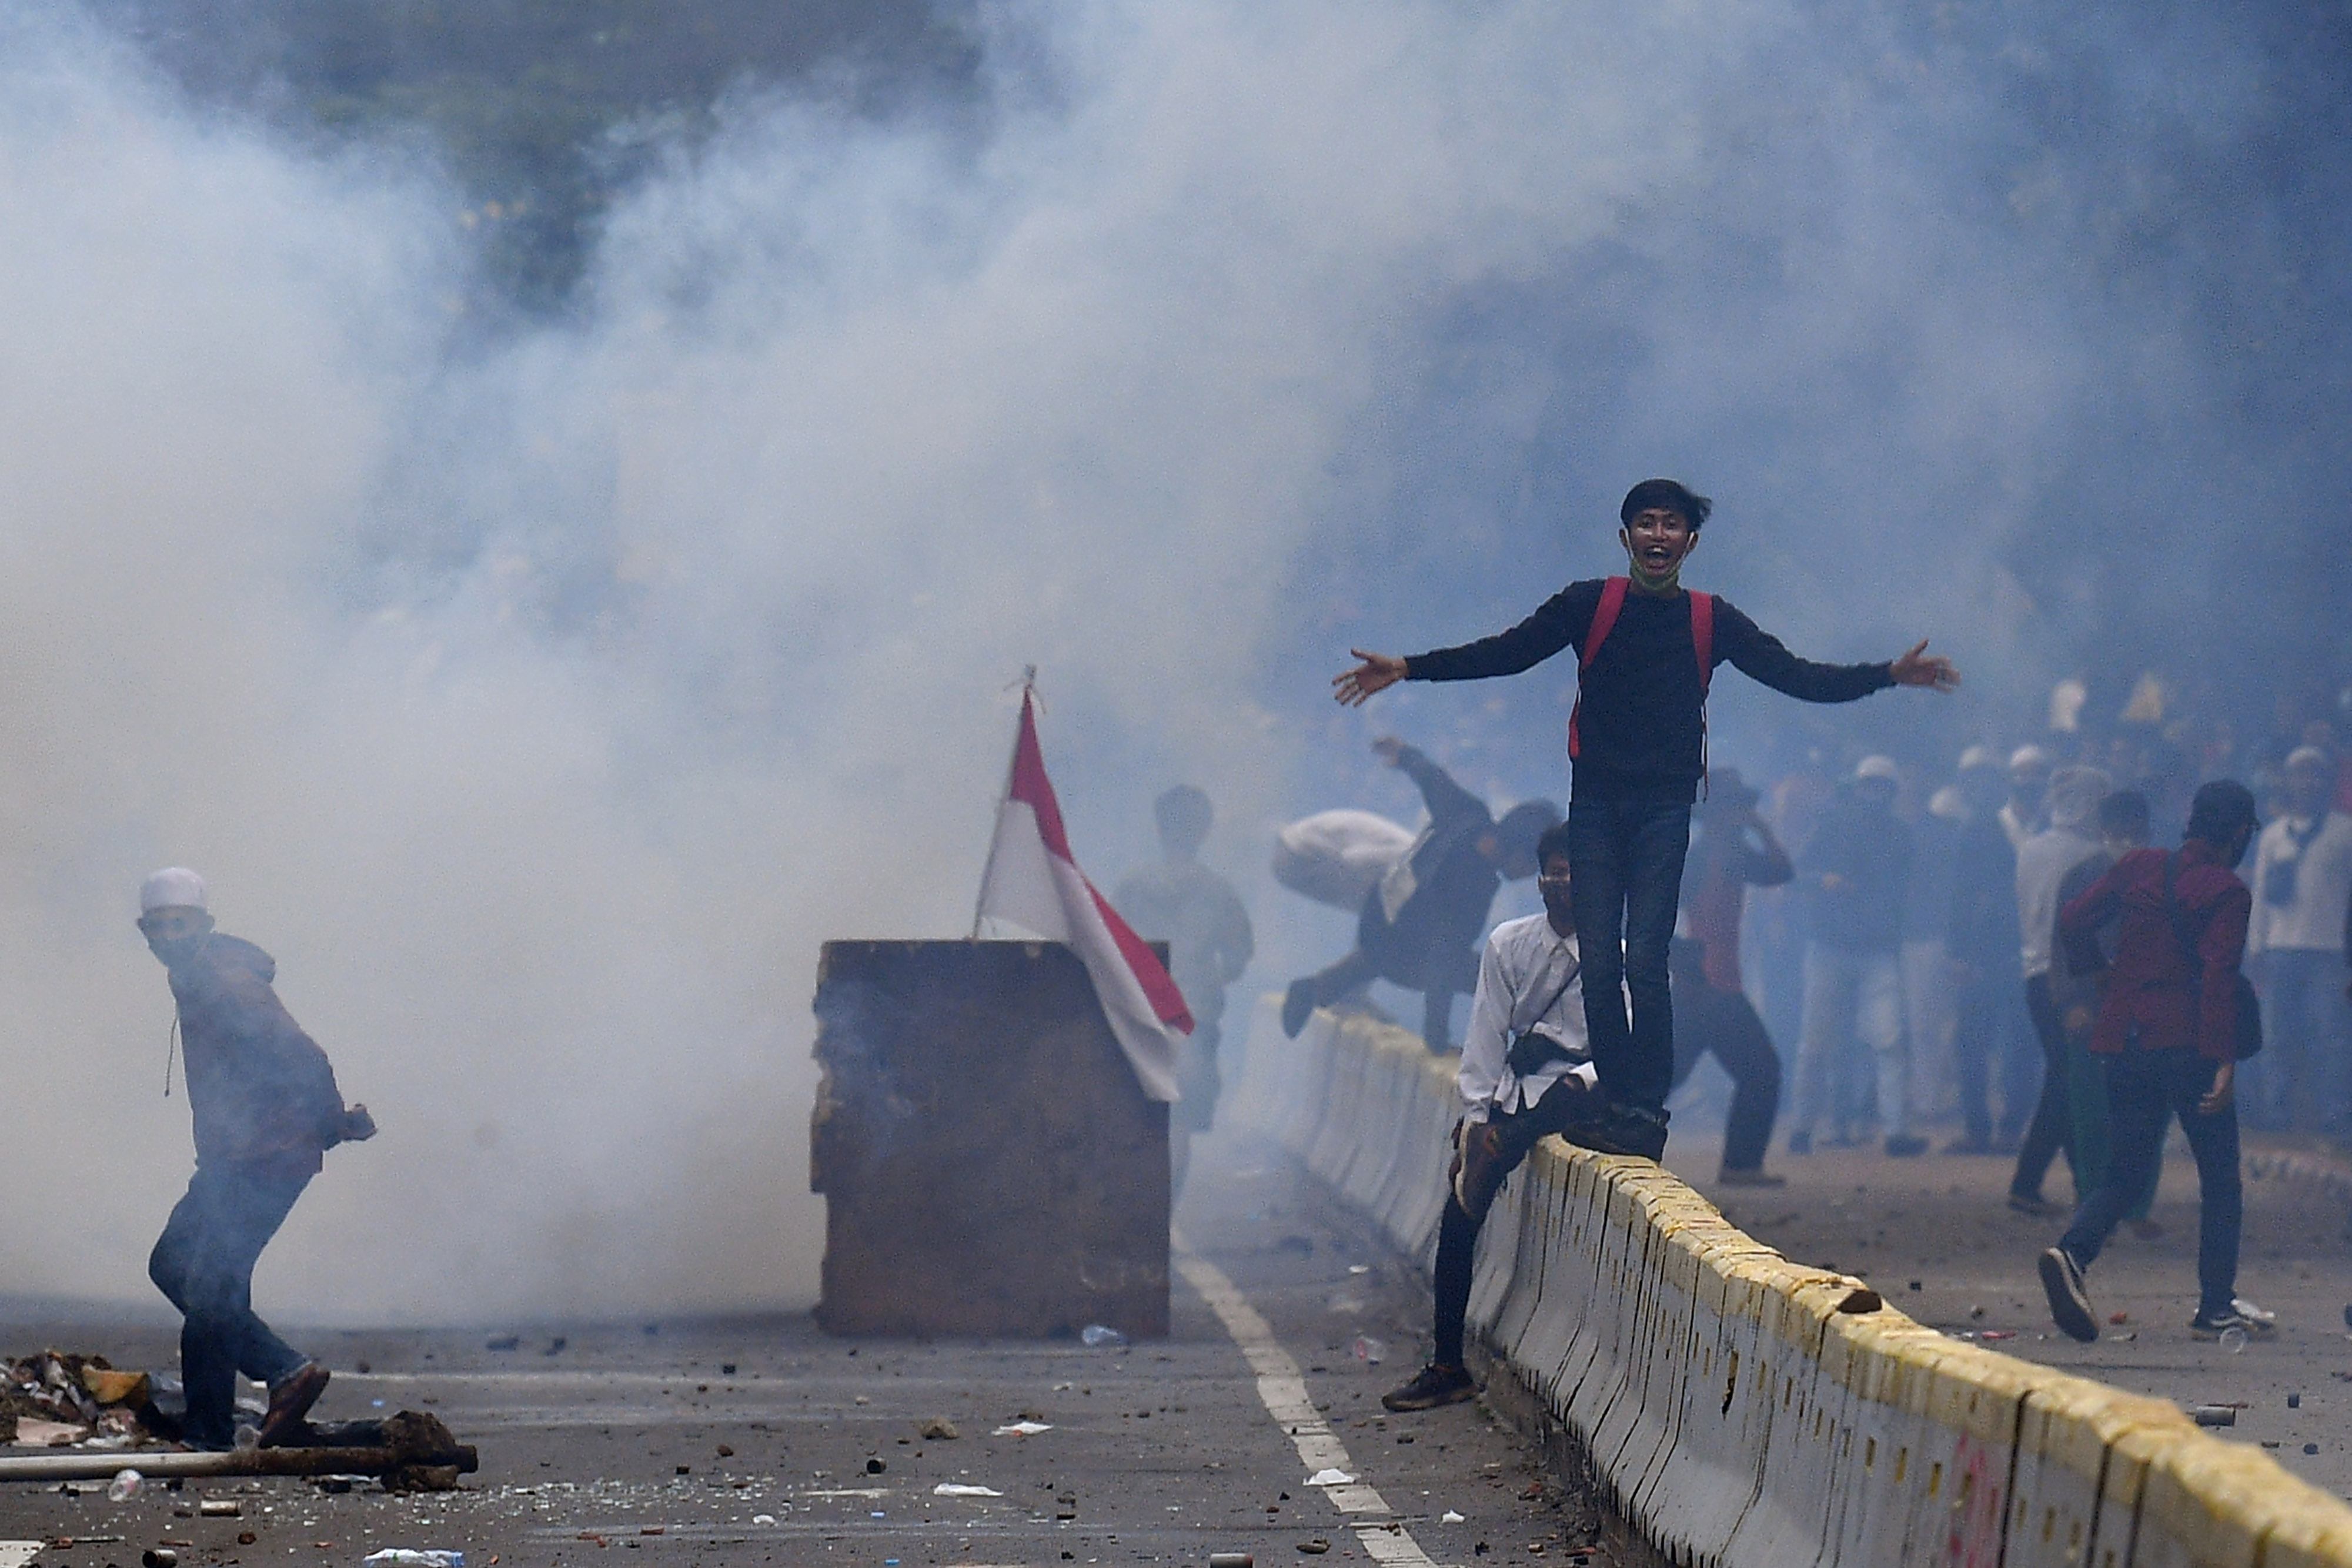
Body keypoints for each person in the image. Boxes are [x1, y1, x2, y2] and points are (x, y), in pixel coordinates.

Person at [1332, 479, 1959, 1160]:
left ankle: (1641, 1112)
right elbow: (1504, 652)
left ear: (1690, 543)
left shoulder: (1710, 619)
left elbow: (1797, 677)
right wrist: (1408, 668)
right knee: (1600, 960)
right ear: (1625, 537)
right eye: (1645, 523)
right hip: (1595, 808)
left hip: (1665, 811)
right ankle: (1614, 1098)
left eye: (1671, 525)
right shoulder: (1586, 604)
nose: (1658, 535)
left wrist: (1887, 676)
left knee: (1646, 959)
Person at [138, 868, 376, 1450]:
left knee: (212, 1292)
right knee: (174, 1266)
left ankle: (221, 1427)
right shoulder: (193, 979)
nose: (169, 936)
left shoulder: (227, 986)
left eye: (181, 924)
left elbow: (303, 1056)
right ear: (145, 934)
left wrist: (331, 1124)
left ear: (205, 926)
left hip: (265, 1159)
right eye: (158, 927)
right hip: (230, 1161)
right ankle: (267, 1386)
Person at [2039, 781, 2271, 1343]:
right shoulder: (2228, 891)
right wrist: (2224, 1059)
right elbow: (2217, 976)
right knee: (2220, 1177)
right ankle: (2215, 1304)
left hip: (2124, 1039)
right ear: (2239, 833)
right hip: (2187, 1044)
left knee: (2126, 1170)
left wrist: (2096, 970)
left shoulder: (2141, 864)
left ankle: (2072, 1253)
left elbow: (2073, 919)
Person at [1382, 822, 1596, 1411]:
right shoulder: (1509, 944)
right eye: (1554, 871)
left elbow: (1626, 1048)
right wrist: (1475, 1117)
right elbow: (1484, 1035)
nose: (1562, 883)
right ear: (1539, 879)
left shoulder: (1621, 952)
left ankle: (1511, 1138)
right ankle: (1447, 1363)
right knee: (1459, 1215)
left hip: (1583, 1091)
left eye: (1574, 871)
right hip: (1515, 1092)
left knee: (1576, 1090)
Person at [1282, 737, 1558, 1052]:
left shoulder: (1468, 814)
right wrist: (1436, 1040)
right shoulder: (1473, 888)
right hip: (1404, 954)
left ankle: (1317, 988)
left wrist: (1405, 756)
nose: (1528, 876)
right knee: (1490, 976)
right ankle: (1532, 1045)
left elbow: (1433, 780)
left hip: (1377, 922)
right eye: (1533, 866)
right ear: (1520, 853)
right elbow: (1444, 961)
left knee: (1386, 951)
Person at [1115, 786, 1255, 1196]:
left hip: (1134, 1015)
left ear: (1160, 828)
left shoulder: (1132, 884)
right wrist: (1209, 981)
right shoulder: (1218, 889)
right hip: (1191, 1020)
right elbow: (1239, 954)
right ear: (1203, 831)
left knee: (1132, 1114)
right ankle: (1164, 1222)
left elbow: (1106, 945)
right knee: (1177, 1124)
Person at [1787, 756, 1923, 1156]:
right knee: (1815, 1041)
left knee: (1889, 1039)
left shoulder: (1901, 836)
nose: (1875, 795)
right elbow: (1798, 873)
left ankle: (1896, 1131)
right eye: (1870, 787)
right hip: (1829, 945)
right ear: (1858, 788)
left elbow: (1906, 890)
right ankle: (1801, 1128)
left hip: (1877, 949)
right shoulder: (1832, 826)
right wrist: (1823, 881)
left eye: (1883, 788)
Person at [1667, 767, 1791, 1185]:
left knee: (1666, 1077)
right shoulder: (1699, 857)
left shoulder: (1733, 853)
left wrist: (1762, 828)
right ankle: (1741, 1165)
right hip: (1708, 984)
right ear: (1719, 813)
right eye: (1737, 808)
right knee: (1762, 1071)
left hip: (1709, 984)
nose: (1743, 814)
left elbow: (1781, 871)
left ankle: (1741, 1164)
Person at [2052, 790, 2160, 1233]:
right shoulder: (2082, 877)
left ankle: (2135, 1207)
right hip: (2093, 1010)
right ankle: (2092, 1196)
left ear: (2148, 832)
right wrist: (2072, 1002)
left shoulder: (2164, 876)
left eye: (2134, 830)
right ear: (2103, 832)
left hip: (2149, 1008)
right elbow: (2061, 944)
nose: (2126, 839)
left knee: (2149, 1111)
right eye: (2119, 830)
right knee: (2091, 1111)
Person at [2007, 766, 2112, 1214]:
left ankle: (2080, 1180)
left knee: (2063, 1076)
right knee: (2067, 1079)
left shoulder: (2031, 847)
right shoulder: (2092, 856)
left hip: (2034, 972)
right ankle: (2041, 1181)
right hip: (2069, 978)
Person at [2246, 747, 2352, 1132]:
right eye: (2300, 774)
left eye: (2316, 774)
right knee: (2276, 1037)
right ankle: (2277, 1117)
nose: (2308, 782)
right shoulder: (2273, 834)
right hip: (2279, 949)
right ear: (2288, 781)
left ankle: (2335, 1118)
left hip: (2330, 950)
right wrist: (2256, 946)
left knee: (2333, 1039)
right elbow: (2259, 894)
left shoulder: (2346, 832)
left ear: (2328, 781)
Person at [1946, 747, 2032, 1154]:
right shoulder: (1978, 829)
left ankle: (2012, 1128)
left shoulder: (2048, 831)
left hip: (2026, 955)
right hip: (1981, 957)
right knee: (1973, 1046)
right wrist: (1960, 953)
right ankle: (1978, 1128)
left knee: (2022, 1046)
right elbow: (1959, 897)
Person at [2001, 745, 2053, 850]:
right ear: (2010, 780)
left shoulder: (2054, 824)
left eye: (2037, 774)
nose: (2030, 781)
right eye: (2023, 774)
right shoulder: (1999, 824)